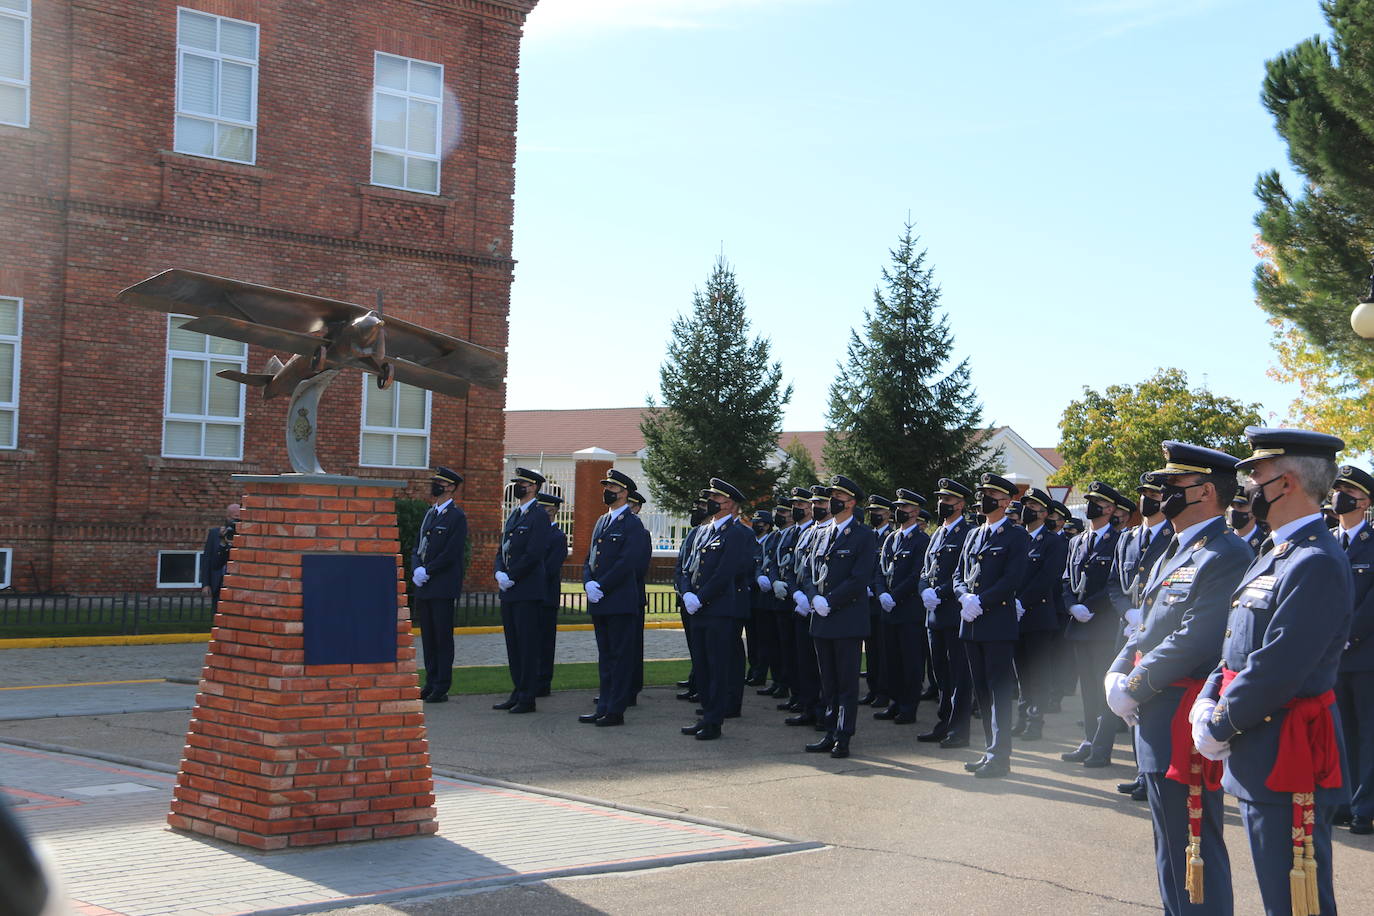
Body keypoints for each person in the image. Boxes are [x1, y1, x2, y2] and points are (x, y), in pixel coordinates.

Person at [1193, 427, 1352, 916]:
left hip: (1288, 750)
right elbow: (1236, 646)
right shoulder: (1275, 552)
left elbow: (1278, 666)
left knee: (1293, 898)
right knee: (1276, 885)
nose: (1247, 489)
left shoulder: (1316, 561)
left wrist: (1219, 723)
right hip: (1260, 743)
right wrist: (1208, 696)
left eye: (1256, 475)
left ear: (1286, 483)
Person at [1105, 442, 1251, 914]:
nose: (1161, 494)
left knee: (1192, 844)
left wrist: (1134, 684)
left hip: (1180, 713)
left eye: (1172, 485)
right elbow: (1149, 625)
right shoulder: (1176, 548)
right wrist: (1117, 669)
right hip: (1155, 711)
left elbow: (1197, 637)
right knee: (1169, 842)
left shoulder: (1225, 553)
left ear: (1206, 491)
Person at [953, 473, 1031, 778]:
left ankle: (1001, 755)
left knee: (999, 692)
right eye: (983, 493)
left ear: (1006, 501)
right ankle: (989, 750)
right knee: (982, 692)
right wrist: (963, 598)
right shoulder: (974, 534)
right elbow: (959, 575)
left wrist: (980, 601)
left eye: (991, 494)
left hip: (996, 621)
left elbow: (1011, 580)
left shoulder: (1016, 535)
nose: (984, 498)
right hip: (971, 622)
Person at [1112, 473, 1175, 801]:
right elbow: (1114, 583)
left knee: (1147, 698)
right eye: (1143, 494)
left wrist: (1145, 619)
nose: (1145, 500)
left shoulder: (1171, 536)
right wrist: (1128, 613)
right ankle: (1140, 772)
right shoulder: (1128, 537)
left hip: (1155, 631)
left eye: (1153, 494)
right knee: (1128, 700)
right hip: (1127, 627)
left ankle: (1151, 770)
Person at [806, 475, 878, 758]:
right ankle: (829, 730)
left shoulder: (863, 536)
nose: (832, 501)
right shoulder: (822, 534)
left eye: (838, 497)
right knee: (828, 681)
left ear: (851, 502)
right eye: (831, 496)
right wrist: (814, 597)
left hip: (847, 618)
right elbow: (810, 572)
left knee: (846, 682)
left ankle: (844, 736)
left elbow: (859, 579)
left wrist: (830, 601)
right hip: (822, 617)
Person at [680, 478, 755, 741]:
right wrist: (687, 590)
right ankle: (705, 715)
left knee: (717, 665)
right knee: (701, 666)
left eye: (716, 497)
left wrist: (700, 597)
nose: (711, 501)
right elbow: (689, 566)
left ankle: (714, 721)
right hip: (698, 608)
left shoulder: (735, 533)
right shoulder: (704, 531)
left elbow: (726, 572)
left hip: (719, 609)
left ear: (729, 503)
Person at [1061, 481, 1127, 766]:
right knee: (1087, 689)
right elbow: (1066, 580)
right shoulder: (1077, 541)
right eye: (1089, 501)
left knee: (1104, 689)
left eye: (1097, 502)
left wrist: (1089, 606)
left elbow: (1116, 584)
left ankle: (1102, 747)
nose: (1091, 506)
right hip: (1079, 625)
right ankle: (1089, 739)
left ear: (1110, 509)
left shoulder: (1120, 540)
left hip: (1103, 626)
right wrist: (1071, 606)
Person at [578, 469, 650, 727]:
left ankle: (615, 710)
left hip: (619, 599)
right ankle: (604, 705)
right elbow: (590, 557)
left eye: (612, 487)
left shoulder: (632, 524)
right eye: (606, 486)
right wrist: (589, 582)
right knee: (605, 656)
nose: (606, 491)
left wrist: (602, 584)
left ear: (624, 493)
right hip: (601, 599)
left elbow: (627, 562)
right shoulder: (601, 520)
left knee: (619, 657)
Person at [1330, 464, 1374, 836]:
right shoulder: (1327, 541)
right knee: (1339, 731)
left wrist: (1345, 635)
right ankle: (1342, 802)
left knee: (1368, 732)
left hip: (1365, 657)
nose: (1339, 497)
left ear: (1365, 502)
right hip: (1330, 657)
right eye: (1337, 490)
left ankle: (1365, 807)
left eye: (1348, 491)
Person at [918, 478, 974, 746]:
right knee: (940, 673)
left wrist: (938, 592)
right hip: (934, 615)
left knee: (959, 674)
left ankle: (959, 729)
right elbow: (925, 569)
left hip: (953, 612)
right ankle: (944, 721)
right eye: (941, 499)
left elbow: (961, 572)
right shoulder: (938, 533)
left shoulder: (966, 532)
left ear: (960, 504)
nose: (942, 504)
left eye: (948, 500)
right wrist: (923, 590)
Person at [1012, 487, 1067, 742]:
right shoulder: (1016, 537)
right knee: (1022, 672)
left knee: (1038, 673)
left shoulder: (1053, 541)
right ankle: (1022, 718)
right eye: (1026, 505)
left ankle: (1036, 721)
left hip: (1037, 615)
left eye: (1033, 507)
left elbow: (1047, 578)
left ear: (1044, 514)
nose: (1027, 510)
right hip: (1013, 614)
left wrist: (1022, 601)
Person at [493, 466, 549, 714]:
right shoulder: (515, 515)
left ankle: (528, 696)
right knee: (513, 645)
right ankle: (517, 690)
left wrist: (512, 575)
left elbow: (534, 553)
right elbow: (502, 549)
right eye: (517, 483)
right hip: (510, 589)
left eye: (523, 483)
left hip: (526, 589)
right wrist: (499, 572)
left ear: (534, 487)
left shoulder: (539, 515)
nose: (518, 487)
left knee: (526, 645)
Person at [411, 468, 468, 705]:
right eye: (435, 482)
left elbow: (451, 553)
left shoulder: (456, 516)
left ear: (451, 487)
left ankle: (442, 685)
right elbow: (418, 545)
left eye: (440, 483)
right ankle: (431, 681)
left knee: (442, 638)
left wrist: (429, 570)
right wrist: (416, 568)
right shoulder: (430, 513)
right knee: (429, 638)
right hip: (424, 585)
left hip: (442, 585)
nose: (435, 486)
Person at [875, 489, 930, 725]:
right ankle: (895, 702)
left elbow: (916, 575)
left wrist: (894, 595)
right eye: (898, 507)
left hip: (908, 610)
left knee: (911, 662)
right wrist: (881, 593)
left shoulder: (922, 540)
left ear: (916, 512)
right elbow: (878, 571)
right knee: (892, 661)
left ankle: (909, 707)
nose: (899, 511)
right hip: (889, 610)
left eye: (905, 508)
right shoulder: (891, 538)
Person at [785, 485, 833, 727]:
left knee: (823, 666)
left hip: (824, 609)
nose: (817, 508)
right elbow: (796, 570)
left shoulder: (833, 533)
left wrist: (814, 598)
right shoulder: (806, 534)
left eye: (822, 503)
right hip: (803, 607)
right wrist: (797, 595)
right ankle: (808, 707)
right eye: (814, 503)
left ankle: (825, 711)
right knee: (804, 662)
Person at [673, 493, 712, 703]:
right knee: (694, 645)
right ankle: (695, 679)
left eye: (702, 505)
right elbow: (682, 564)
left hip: (700, 600)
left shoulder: (708, 533)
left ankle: (700, 684)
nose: (696, 509)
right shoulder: (694, 533)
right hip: (686, 596)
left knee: (703, 648)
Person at [760, 497, 796, 700]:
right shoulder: (774, 537)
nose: (778, 516)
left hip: (789, 598)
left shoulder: (794, 534)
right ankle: (777, 680)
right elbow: (769, 562)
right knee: (772, 643)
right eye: (778, 512)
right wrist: (769, 578)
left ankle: (786, 683)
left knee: (786, 645)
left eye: (782, 513)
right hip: (772, 597)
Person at [862, 495, 895, 708]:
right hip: (866, 601)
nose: (874, 515)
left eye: (878, 512)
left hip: (881, 600)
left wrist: (875, 589)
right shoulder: (869, 536)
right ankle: (872, 688)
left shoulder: (890, 537)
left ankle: (884, 691)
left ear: (888, 514)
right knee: (871, 649)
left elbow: (883, 571)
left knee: (884, 651)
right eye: (872, 512)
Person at [536, 492, 567, 698]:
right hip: (531, 596)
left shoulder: (558, 537)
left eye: (544, 510)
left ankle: (543, 682)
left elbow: (550, 568)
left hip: (546, 597)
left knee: (545, 643)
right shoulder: (535, 533)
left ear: (553, 512)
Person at [748, 509, 780, 689]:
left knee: (765, 639)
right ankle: (754, 670)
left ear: (767, 526)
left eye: (759, 523)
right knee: (752, 638)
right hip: (751, 596)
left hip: (766, 599)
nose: (755, 525)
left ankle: (762, 673)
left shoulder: (771, 541)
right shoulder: (750, 542)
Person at [626, 489, 651, 704]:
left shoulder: (640, 532)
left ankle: (630, 689)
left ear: (637, 508)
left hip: (631, 595)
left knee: (630, 646)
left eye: (631, 505)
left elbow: (638, 567)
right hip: (617, 596)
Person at [200, 502, 241, 611]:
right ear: (227, 517)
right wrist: (206, 584)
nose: (236, 521)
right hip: (218, 582)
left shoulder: (244, 535)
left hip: (236, 583)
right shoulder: (215, 534)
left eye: (240, 518)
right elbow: (207, 559)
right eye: (235, 517)